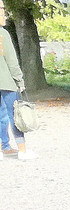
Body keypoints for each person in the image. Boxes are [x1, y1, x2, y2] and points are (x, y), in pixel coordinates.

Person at [0, 12, 29, 160]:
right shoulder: (2, 34)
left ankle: (3, 148)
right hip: (5, 81)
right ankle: (23, 151)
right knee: (15, 115)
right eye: (1, 8)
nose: (4, 13)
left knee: (1, 116)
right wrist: (19, 81)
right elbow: (11, 61)